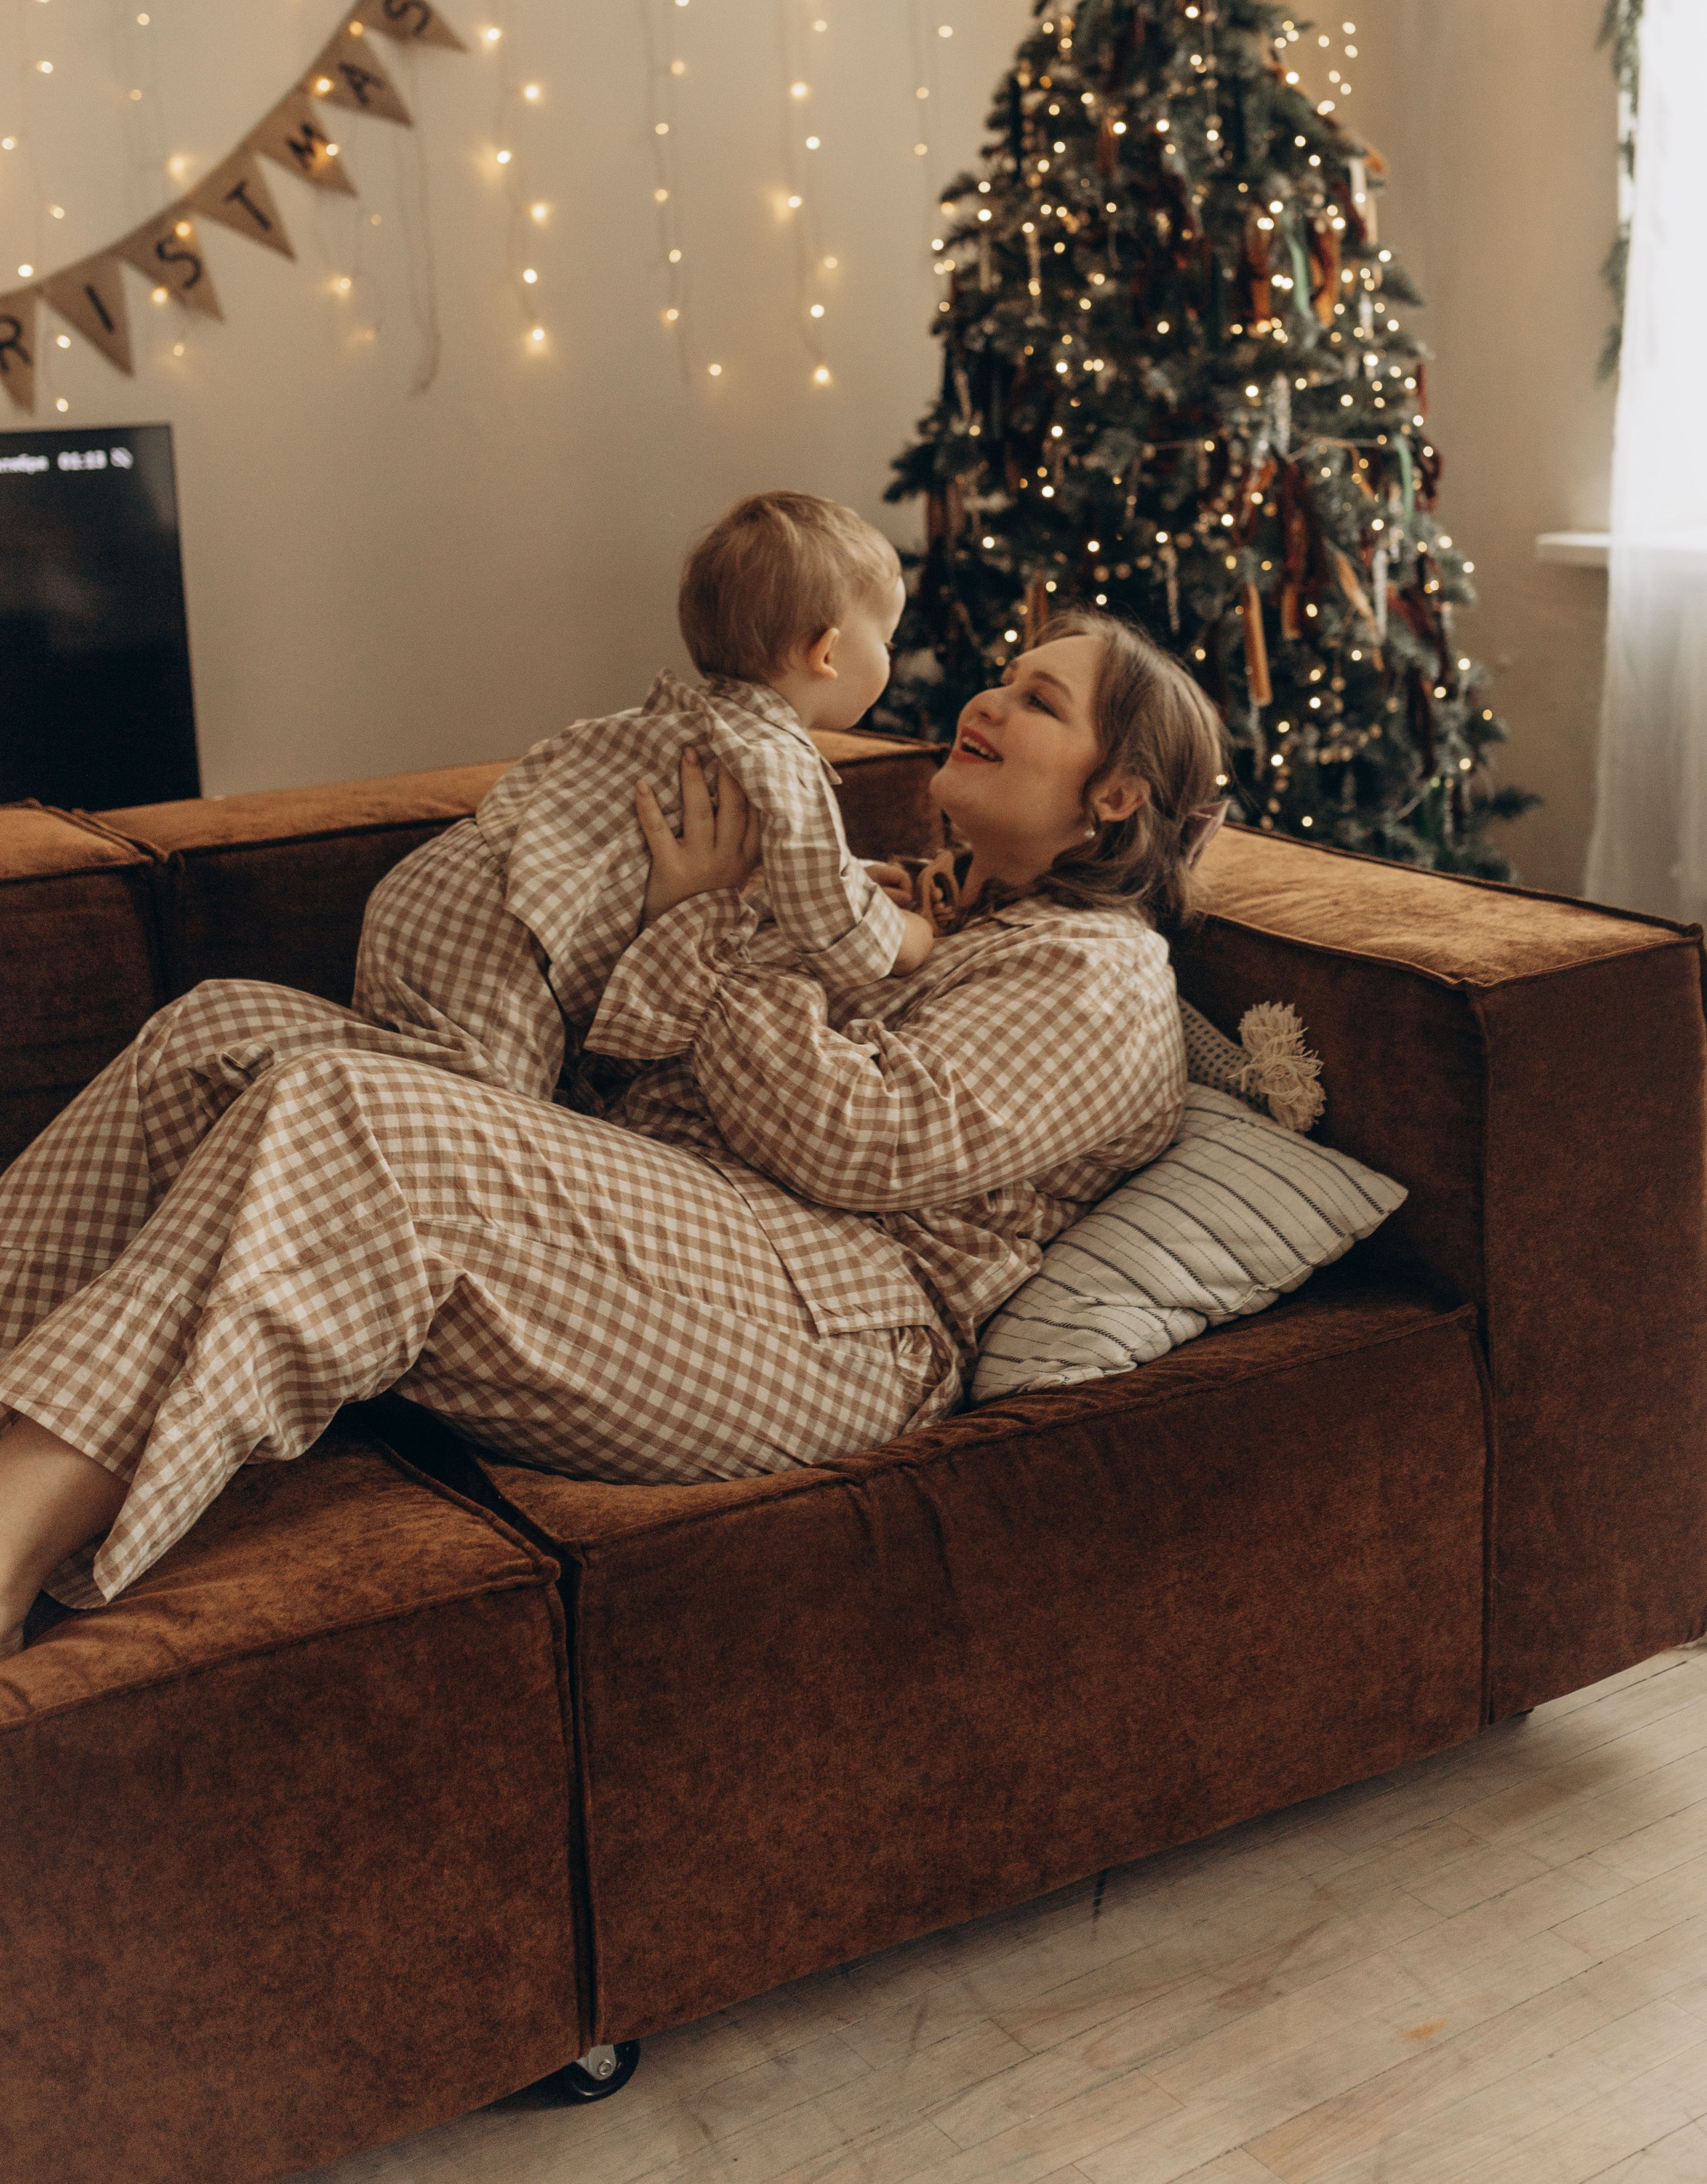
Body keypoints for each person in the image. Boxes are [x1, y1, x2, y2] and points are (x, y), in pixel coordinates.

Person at [0, 611, 1228, 1661]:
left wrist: (723, 927)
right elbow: (638, 1042)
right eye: (1006, 676)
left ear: (1114, 796)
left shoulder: (1101, 977)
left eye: (1040, 700)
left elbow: (858, 1143)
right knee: (222, 1033)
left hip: (843, 1320)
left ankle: (8, 1547)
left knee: (357, 1119)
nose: (989, 698)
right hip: (695, 1224)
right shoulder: (905, 905)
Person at [351, 493, 936, 1118]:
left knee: (402, 1097)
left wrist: (852, 867)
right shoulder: (778, 757)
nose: (892, 661)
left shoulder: (680, 723)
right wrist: (910, 936)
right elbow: (836, 933)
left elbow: (747, 872)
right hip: (504, 946)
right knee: (487, 1137)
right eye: (890, 642)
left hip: (435, 890)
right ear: (825, 653)